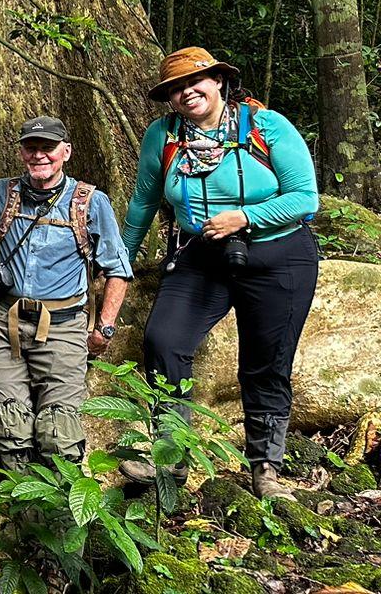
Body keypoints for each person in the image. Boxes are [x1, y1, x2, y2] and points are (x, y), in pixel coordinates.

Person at [118, 47, 319, 501]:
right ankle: (171, 456)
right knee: (163, 340)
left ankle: (265, 470)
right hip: (202, 255)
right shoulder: (164, 135)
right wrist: (120, 262)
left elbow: (306, 198)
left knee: (265, 363)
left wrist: (243, 217)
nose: (187, 92)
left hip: (279, 255)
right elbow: (143, 203)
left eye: (196, 82)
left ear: (219, 82)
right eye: (175, 88)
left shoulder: (266, 126)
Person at [0, 116, 133, 471]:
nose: (39, 156)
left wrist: (105, 327)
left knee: (59, 434)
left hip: (63, 326)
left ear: (65, 152)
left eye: (47, 148)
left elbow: (118, 269)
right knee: (9, 427)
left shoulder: (89, 202)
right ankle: (20, 506)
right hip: (5, 324)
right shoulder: (2, 194)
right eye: (31, 148)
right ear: (21, 152)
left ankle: (60, 515)